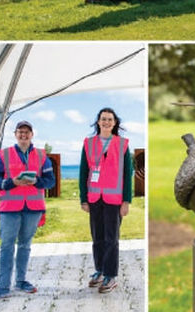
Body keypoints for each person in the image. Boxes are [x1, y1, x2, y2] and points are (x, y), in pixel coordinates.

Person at [0, 121, 55, 301]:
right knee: (6, 246)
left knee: (25, 245)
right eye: (20, 132)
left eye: (27, 132)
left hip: (33, 208)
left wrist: (36, 181)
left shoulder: (41, 155)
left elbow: (50, 180)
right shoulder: (3, 154)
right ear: (15, 134)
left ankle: (21, 281)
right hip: (10, 208)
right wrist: (10, 182)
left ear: (32, 135)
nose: (24, 135)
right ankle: (3, 286)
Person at [79, 108, 134, 294]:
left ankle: (111, 275)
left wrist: (126, 200)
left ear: (115, 123)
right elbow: (83, 173)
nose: (106, 122)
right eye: (103, 119)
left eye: (110, 119)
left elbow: (128, 174)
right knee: (97, 238)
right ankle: (100, 270)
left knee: (112, 239)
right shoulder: (88, 143)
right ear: (98, 122)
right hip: (94, 198)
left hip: (114, 199)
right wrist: (83, 198)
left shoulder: (123, 144)